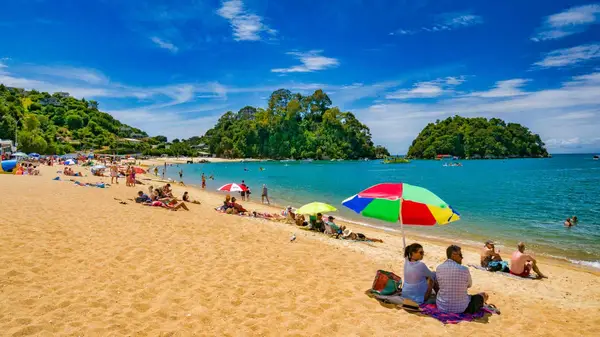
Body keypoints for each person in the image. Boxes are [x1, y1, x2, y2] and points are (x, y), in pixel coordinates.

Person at [436, 245, 488, 314]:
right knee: (484, 295)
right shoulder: (464, 269)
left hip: (442, 307)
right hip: (461, 309)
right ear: (453, 255)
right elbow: (469, 285)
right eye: (460, 255)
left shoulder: (439, 268)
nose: (462, 257)